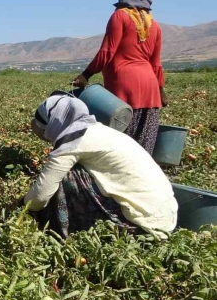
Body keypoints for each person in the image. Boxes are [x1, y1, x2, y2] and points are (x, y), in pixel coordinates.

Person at [23, 95, 177, 239]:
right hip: (164, 220)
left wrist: (20, 208)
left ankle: (64, 232)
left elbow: (39, 197)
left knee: (67, 176)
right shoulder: (99, 130)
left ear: (54, 124)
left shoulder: (73, 142)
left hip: (140, 226)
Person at [72, 0, 166, 154]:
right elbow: (156, 63)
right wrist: (160, 89)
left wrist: (86, 74)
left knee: (119, 144)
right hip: (150, 88)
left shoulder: (119, 17)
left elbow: (107, 51)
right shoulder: (155, 26)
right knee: (143, 148)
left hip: (123, 85)